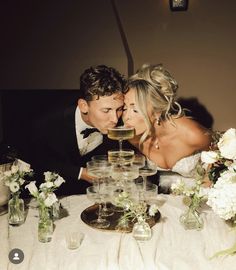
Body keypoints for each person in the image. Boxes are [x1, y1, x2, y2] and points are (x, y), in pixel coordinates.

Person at [26, 65, 126, 195]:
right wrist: (80, 173)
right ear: (84, 106)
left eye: (119, 109)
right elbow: (38, 160)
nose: (115, 119)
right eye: (106, 110)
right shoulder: (48, 123)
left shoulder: (123, 124)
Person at [122, 63, 212, 192]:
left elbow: (220, 152)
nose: (126, 117)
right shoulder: (132, 136)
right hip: (163, 196)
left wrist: (205, 188)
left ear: (157, 111)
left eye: (135, 110)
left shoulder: (192, 134)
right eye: (124, 109)